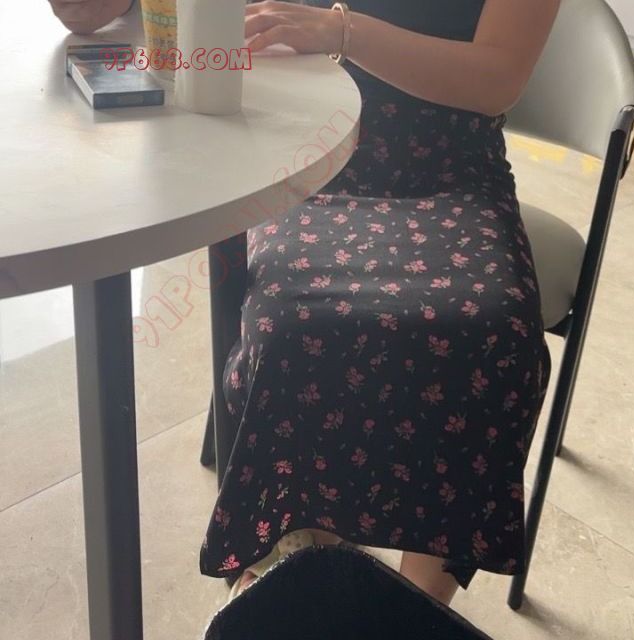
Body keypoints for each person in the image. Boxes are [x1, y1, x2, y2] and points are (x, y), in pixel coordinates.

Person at [52, 0, 559, 608]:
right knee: (291, 331)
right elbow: (95, 15)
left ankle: (414, 607)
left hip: (449, 173)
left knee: (492, 337)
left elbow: (497, 78)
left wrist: (343, 31)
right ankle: (287, 572)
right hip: (308, 158)